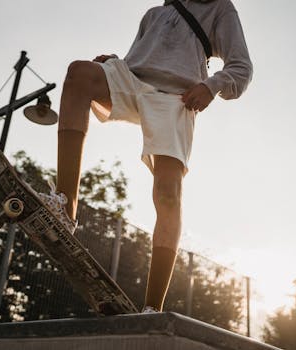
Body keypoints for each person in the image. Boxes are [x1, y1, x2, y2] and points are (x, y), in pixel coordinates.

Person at [39, 0, 252, 313]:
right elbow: (136, 61)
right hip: (133, 82)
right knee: (80, 73)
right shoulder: (154, 14)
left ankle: (152, 307)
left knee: (168, 194)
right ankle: (64, 205)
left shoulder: (220, 8)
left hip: (178, 98)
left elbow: (241, 68)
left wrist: (212, 85)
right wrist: (116, 63)